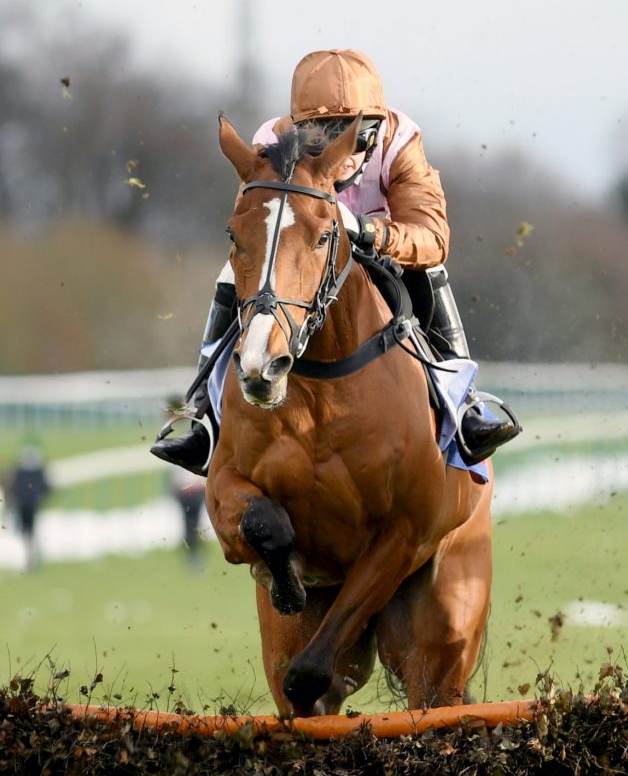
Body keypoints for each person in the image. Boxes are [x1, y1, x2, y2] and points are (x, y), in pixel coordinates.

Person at [150, 48, 519, 475]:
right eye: (326, 137)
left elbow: (433, 238)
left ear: (377, 128)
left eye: (358, 137)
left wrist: (365, 230)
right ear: (300, 130)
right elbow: (254, 231)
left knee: (430, 269)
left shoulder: (401, 141)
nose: (345, 154)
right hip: (305, 258)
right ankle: (204, 417)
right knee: (233, 270)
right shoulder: (271, 142)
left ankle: (464, 409)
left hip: (382, 254)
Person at [6, 445, 51, 573]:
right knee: (28, 530)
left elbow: (12, 487)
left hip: (24, 504)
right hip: (30, 505)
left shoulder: (20, 471)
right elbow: (46, 488)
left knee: (25, 530)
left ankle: (29, 554)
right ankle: (30, 554)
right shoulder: (36, 472)